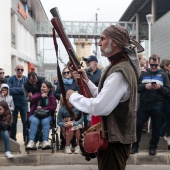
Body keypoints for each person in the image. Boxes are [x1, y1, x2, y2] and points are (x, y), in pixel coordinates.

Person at [66, 25, 139, 170]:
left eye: (103, 39)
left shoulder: (119, 71)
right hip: (114, 139)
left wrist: (74, 97)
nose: (99, 43)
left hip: (114, 141)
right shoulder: (119, 66)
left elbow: (100, 107)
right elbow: (105, 97)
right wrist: (87, 81)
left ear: (115, 43)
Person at [131, 54, 170, 155]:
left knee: (156, 126)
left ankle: (153, 147)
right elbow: (137, 87)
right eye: (152, 65)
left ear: (158, 63)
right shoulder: (144, 74)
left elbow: (167, 90)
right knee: (138, 124)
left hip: (157, 104)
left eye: (155, 65)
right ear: (149, 63)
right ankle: (135, 146)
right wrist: (145, 87)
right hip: (144, 104)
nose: (153, 67)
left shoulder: (163, 75)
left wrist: (159, 88)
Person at [26, 81, 57, 149]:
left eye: (44, 87)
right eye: (41, 87)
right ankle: (31, 141)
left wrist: (43, 108)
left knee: (45, 121)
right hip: (35, 115)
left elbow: (53, 107)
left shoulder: (51, 97)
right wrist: (40, 96)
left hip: (47, 115)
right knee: (34, 121)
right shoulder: (37, 94)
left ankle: (45, 141)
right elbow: (32, 99)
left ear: (48, 89)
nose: (42, 88)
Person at [54, 66, 79, 150]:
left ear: (71, 73)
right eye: (64, 73)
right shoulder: (60, 83)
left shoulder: (75, 82)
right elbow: (56, 94)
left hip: (74, 106)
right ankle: (64, 143)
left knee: (74, 123)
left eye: (68, 72)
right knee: (63, 123)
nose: (66, 74)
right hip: (64, 106)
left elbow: (79, 91)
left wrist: (75, 93)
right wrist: (63, 96)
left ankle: (74, 143)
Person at [23, 71, 45, 148]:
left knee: (42, 122)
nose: (34, 83)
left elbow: (50, 91)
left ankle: (41, 141)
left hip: (44, 104)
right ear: (29, 80)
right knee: (35, 122)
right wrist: (30, 97)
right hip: (34, 107)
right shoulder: (25, 85)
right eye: (32, 82)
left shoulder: (42, 80)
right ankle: (35, 141)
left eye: (35, 80)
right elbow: (26, 98)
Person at [7, 65, 28, 142]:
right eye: (18, 69)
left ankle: (25, 139)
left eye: (21, 69)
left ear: (23, 70)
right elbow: (9, 90)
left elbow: (25, 90)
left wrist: (15, 89)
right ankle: (13, 139)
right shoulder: (11, 79)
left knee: (25, 122)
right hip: (13, 103)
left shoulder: (26, 79)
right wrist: (21, 90)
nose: (20, 71)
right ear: (15, 70)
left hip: (23, 103)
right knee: (13, 122)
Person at [83, 55, 102, 126]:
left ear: (95, 63)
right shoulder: (83, 74)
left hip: (97, 102)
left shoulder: (101, 73)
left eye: (89, 61)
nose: (87, 63)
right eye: (86, 61)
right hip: (86, 101)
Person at [159, 59, 170, 149]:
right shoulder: (164, 74)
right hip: (164, 100)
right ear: (166, 65)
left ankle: (161, 136)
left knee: (164, 120)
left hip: (163, 100)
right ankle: (160, 135)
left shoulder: (164, 73)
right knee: (168, 120)